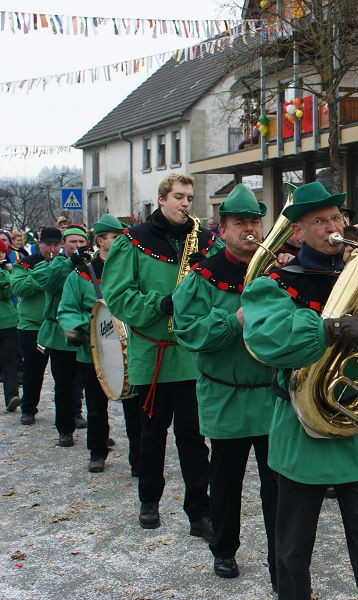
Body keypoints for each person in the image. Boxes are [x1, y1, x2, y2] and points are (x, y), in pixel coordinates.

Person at [242, 181, 358, 600]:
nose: (333, 226)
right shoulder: (274, 283)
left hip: (355, 429)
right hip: (299, 430)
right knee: (292, 547)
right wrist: (327, 328)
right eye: (320, 220)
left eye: (336, 217)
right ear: (297, 232)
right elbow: (266, 338)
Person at [102, 173, 221, 539]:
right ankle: (149, 500)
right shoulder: (132, 242)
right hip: (151, 355)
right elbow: (118, 296)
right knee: (152, 435)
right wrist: (162, 304)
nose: (187, 204)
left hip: (189, 356)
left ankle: (199, 512)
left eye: (190, 198)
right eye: (180, 197)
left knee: (193, 438)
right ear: (162, 199)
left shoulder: (201, 240)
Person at [172, 185, 278, 583]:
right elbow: (188, 333)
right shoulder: (201, 277)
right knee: (226, 481)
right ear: (223, 228)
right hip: (225, 395)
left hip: (271, 395)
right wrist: (232, 321)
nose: (249, 229)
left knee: (277, 488)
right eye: (240, 223)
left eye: (254, 221)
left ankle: (278, 554)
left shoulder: (275, 272)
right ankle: (224, 550)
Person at [57, 214, 139, 473]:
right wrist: (83, 329)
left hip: (130, 349)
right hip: (93, 352)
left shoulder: (131, 270)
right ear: (100, 240)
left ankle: (138, 460)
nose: (120, 242)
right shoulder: (80, 275)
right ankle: (97, 451)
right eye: (115, 237)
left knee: (136, 409)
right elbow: (67, 309)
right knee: (95, 406)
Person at [28, 226, 92, 447]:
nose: (76, 246)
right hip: (60, 332)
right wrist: (70, 262)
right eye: (72, 242)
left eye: (81, 242)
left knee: (91, 384)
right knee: (64, 384)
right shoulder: (51, 264)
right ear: (63, 243)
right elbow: (51, 283)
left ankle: (97, 431)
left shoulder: (92, 265)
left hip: (86, 330)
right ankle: (65, 428)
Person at [11, 227, 60, 425]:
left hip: (58, 325)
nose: (52, 249)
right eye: (48, 244)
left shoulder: (65, 263)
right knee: (33, 370)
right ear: (39, 243)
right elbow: (19, 287)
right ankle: (28, 409)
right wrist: (43, 277)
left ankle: (73, 412)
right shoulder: (25, 263)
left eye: (56, 245)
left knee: (67, 374)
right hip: (32, 326)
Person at [0, 240, 20, 412]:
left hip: (8, 321)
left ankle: (12, 395)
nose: (1, 255)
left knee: (10, 361)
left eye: (2, 252)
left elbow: (10, 289)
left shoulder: (7, 271)